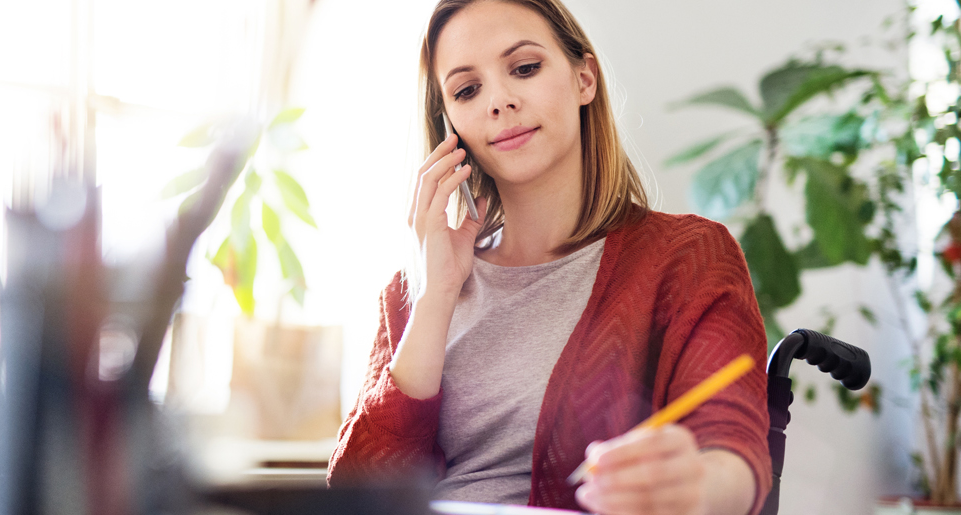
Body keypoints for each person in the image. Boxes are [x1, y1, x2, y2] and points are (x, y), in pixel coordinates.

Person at [326, 1, 770, 514]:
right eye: (467, 90)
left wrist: (694, 485)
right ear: (451, 129)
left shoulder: (687, 259)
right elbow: (355, 496)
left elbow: (734, 459)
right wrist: (438, 294)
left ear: (585, 79)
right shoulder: (412, 292)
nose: (499, 101)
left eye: (525, 68)